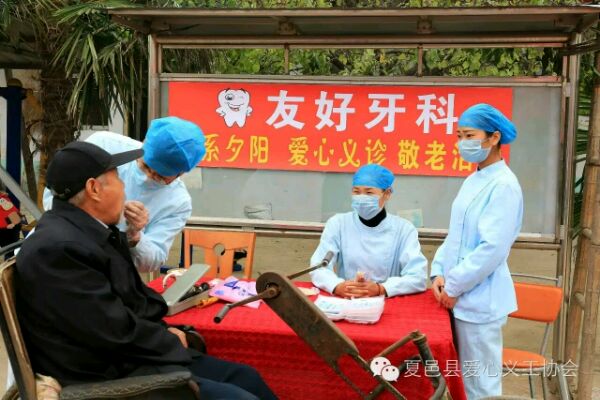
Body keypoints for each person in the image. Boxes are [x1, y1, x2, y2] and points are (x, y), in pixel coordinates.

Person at [16, 141, 277, 400]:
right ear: (94, 189)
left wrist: (131, 235)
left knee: (246, 377)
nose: (124, 188)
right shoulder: (59, 248)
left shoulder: (86, 232)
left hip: (129, 358)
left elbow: (132, 301)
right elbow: (112, 330)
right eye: (118, 179)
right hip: (108, 374)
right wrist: (168, 340)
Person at [430, 103, 523, 399]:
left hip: (480, 302)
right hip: (457, 296)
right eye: (459, 135)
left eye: (470, 135)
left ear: (494, 138)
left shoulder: (504, 186)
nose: (462, 143)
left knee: (480, 386)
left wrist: (454, 285)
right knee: (459, 382)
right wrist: (438, 273)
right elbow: (456, 235)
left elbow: (492, 248)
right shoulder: (474, 179)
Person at [42, 116, 205, 272]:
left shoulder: (178, 202)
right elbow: (52, 197)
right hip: (55, 248)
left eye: (160, 177)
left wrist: (134, 235)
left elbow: (153, 261)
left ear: (180, 174)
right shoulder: (104, 145)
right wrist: (96, 212)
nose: (148, 178)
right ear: (144, 143)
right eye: (145, 166)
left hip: (106, 271)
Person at [310, 164, 427, 298]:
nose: (361, 198)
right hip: (347, 299)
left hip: (388, 302)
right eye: (356, 192)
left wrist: (381, 289)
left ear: (387, 194)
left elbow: (418, 277)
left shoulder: (404, 229)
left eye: (369, 193)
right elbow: (318, 267)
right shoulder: (338, 224)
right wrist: (337, 286)